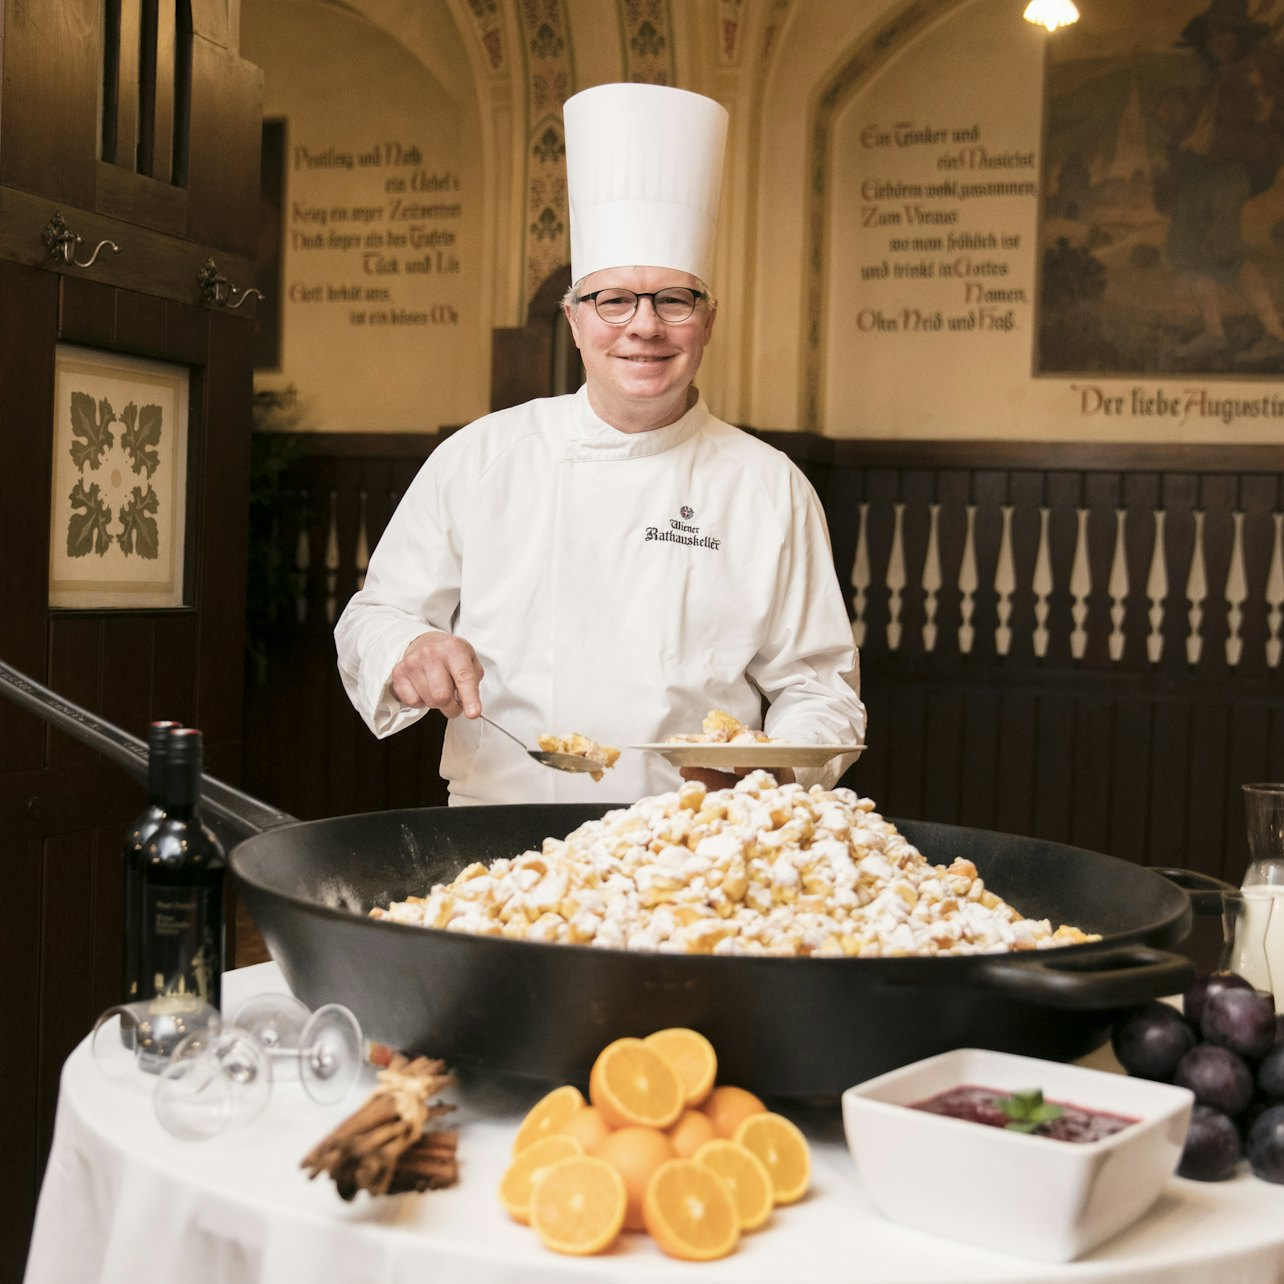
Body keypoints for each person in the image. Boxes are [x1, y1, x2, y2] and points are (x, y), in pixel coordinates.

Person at [335, 83, 865, 805]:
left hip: (693, 842)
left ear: (707, 320)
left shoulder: (768, 487)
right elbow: (376, 616)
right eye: (613, 300)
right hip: (499, 830)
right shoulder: (481, 457)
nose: (643, 327)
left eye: (672, 300)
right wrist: (409, 649)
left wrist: (771, 771)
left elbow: (819, 687)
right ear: (575, 319)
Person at [1157, 0, 1284, 365]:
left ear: (1241, 37)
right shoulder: (1216, 78)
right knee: (1188, 246)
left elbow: (1265, 121)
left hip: (1234, 169)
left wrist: (1261, 96)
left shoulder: (1259, 71)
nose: (1219, 40)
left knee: (1220, 246)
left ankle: (1275, 334)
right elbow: (1192, 128)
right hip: (1200, 170)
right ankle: (1214, 332)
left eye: (1227, 32)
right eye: (1213, 35)